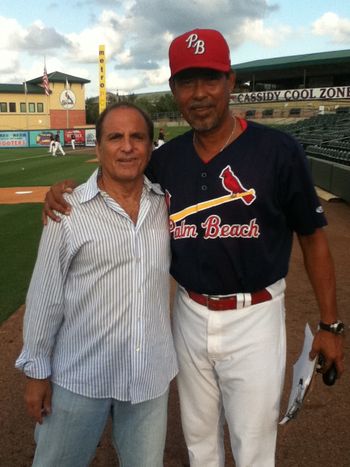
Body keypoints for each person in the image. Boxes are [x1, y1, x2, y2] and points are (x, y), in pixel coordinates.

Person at [43, 29, 345, 467]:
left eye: (210, 80)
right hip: (187, 314)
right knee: (199, 442)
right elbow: (115, 180)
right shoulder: (166, 160)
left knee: (253, 447)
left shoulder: (278, 150)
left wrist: (331, 325)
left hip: (255, 317)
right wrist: (63, 193)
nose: (199, 94)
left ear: (231, 81)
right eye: (187, 82)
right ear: (173, 90)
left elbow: (313, 236)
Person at [16, 103, 178, 467]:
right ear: (98, 146)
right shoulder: (68, 211)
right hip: (81, 375)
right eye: (115, 137)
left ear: (150, 146)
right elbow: (45, 296)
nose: (127, 146)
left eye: (137, 137)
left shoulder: (165, 205)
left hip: (148, 375)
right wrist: (36, 372)